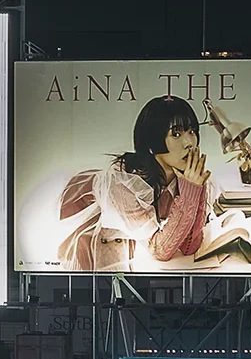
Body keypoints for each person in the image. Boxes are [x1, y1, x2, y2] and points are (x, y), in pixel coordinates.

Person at [53, 93, 211, 270]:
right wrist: (191, 194)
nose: (189, 142)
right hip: (84, 210)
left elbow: (190, 246)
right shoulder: (125, 183)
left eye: (192, 131)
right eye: (176, 134)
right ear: (153, 144)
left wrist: (196, 188)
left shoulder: (181, 177)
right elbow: (160, 250)